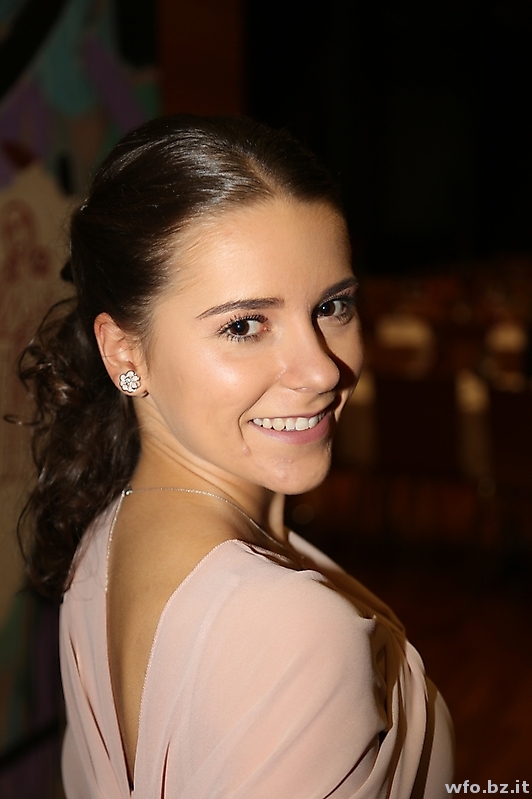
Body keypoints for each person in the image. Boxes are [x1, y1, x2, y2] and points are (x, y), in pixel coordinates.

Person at [16, 115, 454, 798]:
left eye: (333, 306)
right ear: (125, 352)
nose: (322, 370)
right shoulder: (291, 630)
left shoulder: (107, 541)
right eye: (245, 325)